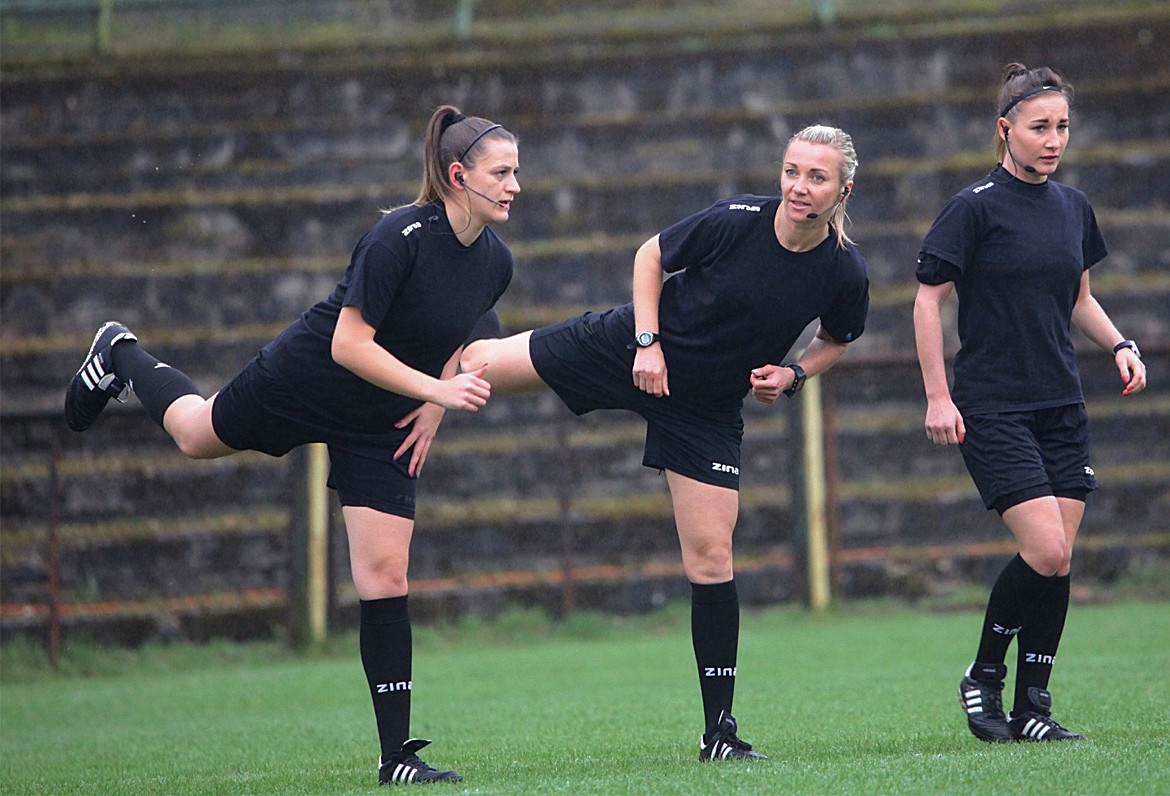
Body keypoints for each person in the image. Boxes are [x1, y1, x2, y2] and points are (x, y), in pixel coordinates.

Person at [63, 104, 521, 785]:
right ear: (458, 176)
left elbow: (467, 334)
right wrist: (435, 389)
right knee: (195, 435)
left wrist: (432, 409)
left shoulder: (495, 262)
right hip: (309, 375)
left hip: (383, 418)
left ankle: (396, 757)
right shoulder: (396, 237)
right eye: (502, 173)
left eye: (516, 172)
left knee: (385, 576)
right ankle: (120, 353)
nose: (515, 186)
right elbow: (348, 344)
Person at [461, 124, 869, 762]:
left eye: (817, 177)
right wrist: (648, 344)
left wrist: (794, 375)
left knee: (711, 559)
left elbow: (838, 338)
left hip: (705, 409)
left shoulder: (844, 271)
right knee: (476, 365)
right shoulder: (737, 219)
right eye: (792, 171)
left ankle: (719, 734)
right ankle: (442, 323)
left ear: (843, 190)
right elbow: (650, 256)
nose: (799, 187)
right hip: (629, 350)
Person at [912, 63, 1147, 743]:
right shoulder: (974, 207)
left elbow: (1080, 299)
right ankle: (983, 673)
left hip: (1061, 403)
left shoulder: (1073, 207)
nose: (1053, 140)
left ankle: (1033, 707)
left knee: (1059, 558)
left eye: (1062, 127)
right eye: (1040, 127)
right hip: (992, 406)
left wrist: (1120, 343)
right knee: (1044, 549)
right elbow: (927, 302)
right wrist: (938, 397)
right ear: (1005, 129)